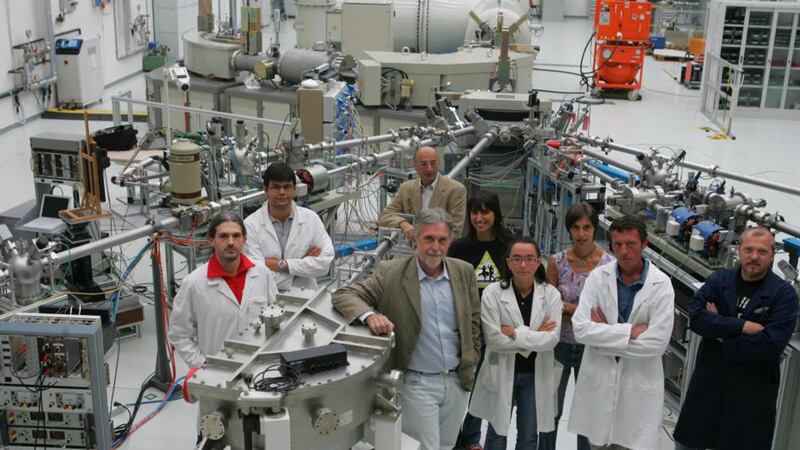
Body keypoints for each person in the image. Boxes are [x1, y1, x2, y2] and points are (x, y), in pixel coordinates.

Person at [332, 208, 481, 450]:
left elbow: (473, 320)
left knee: (447, 445)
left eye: (442, 240)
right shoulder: (391, 273)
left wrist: (472, 358)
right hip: (418, 384)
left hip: (456, 382)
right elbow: (344, 294)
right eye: (429, 239)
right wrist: (371, 315)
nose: (435, 246)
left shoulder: (463, 272)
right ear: (415, 239)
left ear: (450, 241)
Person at [673, 227, 799, 450]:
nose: (754, 257)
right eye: (748, 249)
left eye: (762, 252)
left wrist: (720, 332)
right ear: (739, 250)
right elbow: (697, 317)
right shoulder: (720, 280)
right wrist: (743, 326)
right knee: (688, 445)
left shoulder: (784, 295)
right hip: (709, 385)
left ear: (772, 255)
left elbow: (770, 345)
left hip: (750, 395)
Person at [567, 215, 675, 450]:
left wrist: (603, 335)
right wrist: (629, 332)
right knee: (598, 444)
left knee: (633, 442)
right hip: (600, 383)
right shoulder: (598, 277)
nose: (624, 251)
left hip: (638, 388)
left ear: (644, 245)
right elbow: (581, 329)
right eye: (617, 245)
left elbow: (656, 344)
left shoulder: (661, 284)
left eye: (631, 244)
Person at [469, 238, 563, 450]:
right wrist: (534, 335)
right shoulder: (493, 293)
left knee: (529, 434)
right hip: (501, 370)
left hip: (535, 373)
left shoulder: (551, 295)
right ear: (508, 262)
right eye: (517, 259)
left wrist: (513, 333)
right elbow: (493, 339)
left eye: (529, 259)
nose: (523, 265)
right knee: (496, 431)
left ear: (539, 262)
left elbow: (551, 340)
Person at [538, 203, 613, 450]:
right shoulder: (556, 262)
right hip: (558, 344)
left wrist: (567, 308)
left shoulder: (608, 265)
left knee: (586, 413)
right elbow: (550, 305)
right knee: (551, 409)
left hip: (591, 348)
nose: (581, 234)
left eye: (587, 227)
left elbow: (606, 313)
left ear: (595, 229)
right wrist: (583, 313)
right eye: (576, 228)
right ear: (569, 230)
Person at [169, 212, 277, 368]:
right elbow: (179, 334)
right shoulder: (194, 284)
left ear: (244, 240)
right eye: (223, 236)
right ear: (211, 240)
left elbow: (275, 315)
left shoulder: (262, 272)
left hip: (259, 367)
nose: (231, 242)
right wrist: (203, 365)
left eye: (236, 236)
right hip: (217, 372)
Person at [448, 190, 510, 450]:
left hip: (500, 326)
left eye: (485, 211)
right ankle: (461, 437)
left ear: (496, 214)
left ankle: (473, 435)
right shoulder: (460, 248)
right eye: (475, 212)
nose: (479, 218)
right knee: (465, 381)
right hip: (468, 325)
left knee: (490, 384)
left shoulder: (510, 246)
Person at [244, 162, 334, 290]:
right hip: (265, 299)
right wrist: (301, 267)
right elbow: (255, 273)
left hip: (305, 295)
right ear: (265, 189)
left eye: (287, 187)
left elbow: (325, 264)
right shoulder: (250, 225)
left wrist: (282, 265)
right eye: (276, 187)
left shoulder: (311, 219)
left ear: (294, 189)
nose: (282, 192)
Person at [378, 146, 467, 240]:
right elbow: (384, 216)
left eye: (433, 163)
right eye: (423, 164)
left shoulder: (456, 190)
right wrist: (403, 224)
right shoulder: (406, 188)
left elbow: (455, 231)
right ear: (414, 165)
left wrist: (427, 243)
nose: (429, 169)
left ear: (439, 163)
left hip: (441, 249)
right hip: (412, 248)